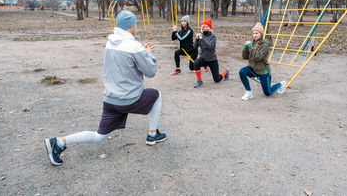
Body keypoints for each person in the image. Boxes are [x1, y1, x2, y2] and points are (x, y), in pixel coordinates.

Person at [44, 10, 167, 166]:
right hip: (129, 99)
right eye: (136, 24)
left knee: (99, 135)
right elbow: (151, 72)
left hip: (110, 100)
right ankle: (152, 134)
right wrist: (147, 54)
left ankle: (59, 142)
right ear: (131, 26)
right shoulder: (134, 46)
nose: (136, 27)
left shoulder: (111, 42)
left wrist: (142, 52)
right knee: (156, 94)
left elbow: (125, 61)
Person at [239, 22, 286, 100]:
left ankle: (281, 84)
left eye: (257, 33)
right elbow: (245, 57)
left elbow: (258, 57)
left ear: (261, 34)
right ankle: (249, 93)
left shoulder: (265, 45)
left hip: (263, 72)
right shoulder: (253, 43)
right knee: (242, 71)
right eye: (253, 33)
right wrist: (245, 48)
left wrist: (250, 47)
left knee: (268, 93)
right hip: (253, 69)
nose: (254, 35)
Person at [193, 19, 229, 88]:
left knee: (217, 79)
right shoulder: (201, 36)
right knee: (196, 63)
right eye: (204, 27)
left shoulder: (213, 37)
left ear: (209, 28)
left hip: (212, 60)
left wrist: (202, 39)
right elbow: (195, 47)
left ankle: (226, 72)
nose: (205, 28)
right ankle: (199, 81)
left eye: (207, 26)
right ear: (202, 28)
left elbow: (211, 47)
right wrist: (197, 40)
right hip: (203, 58)